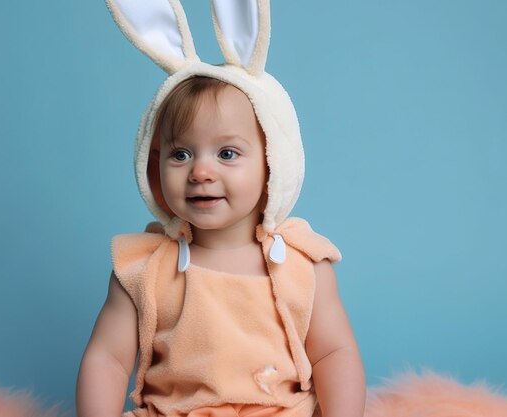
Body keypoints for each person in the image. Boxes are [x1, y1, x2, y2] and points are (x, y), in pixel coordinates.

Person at [77, 1, 365, 416]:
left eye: (227, 153)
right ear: (154, 162)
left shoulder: (303, 265)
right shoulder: (143, 268)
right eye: (180, 154)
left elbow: (333, 354)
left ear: (272, 161)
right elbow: (107, 359)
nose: (201, 171)